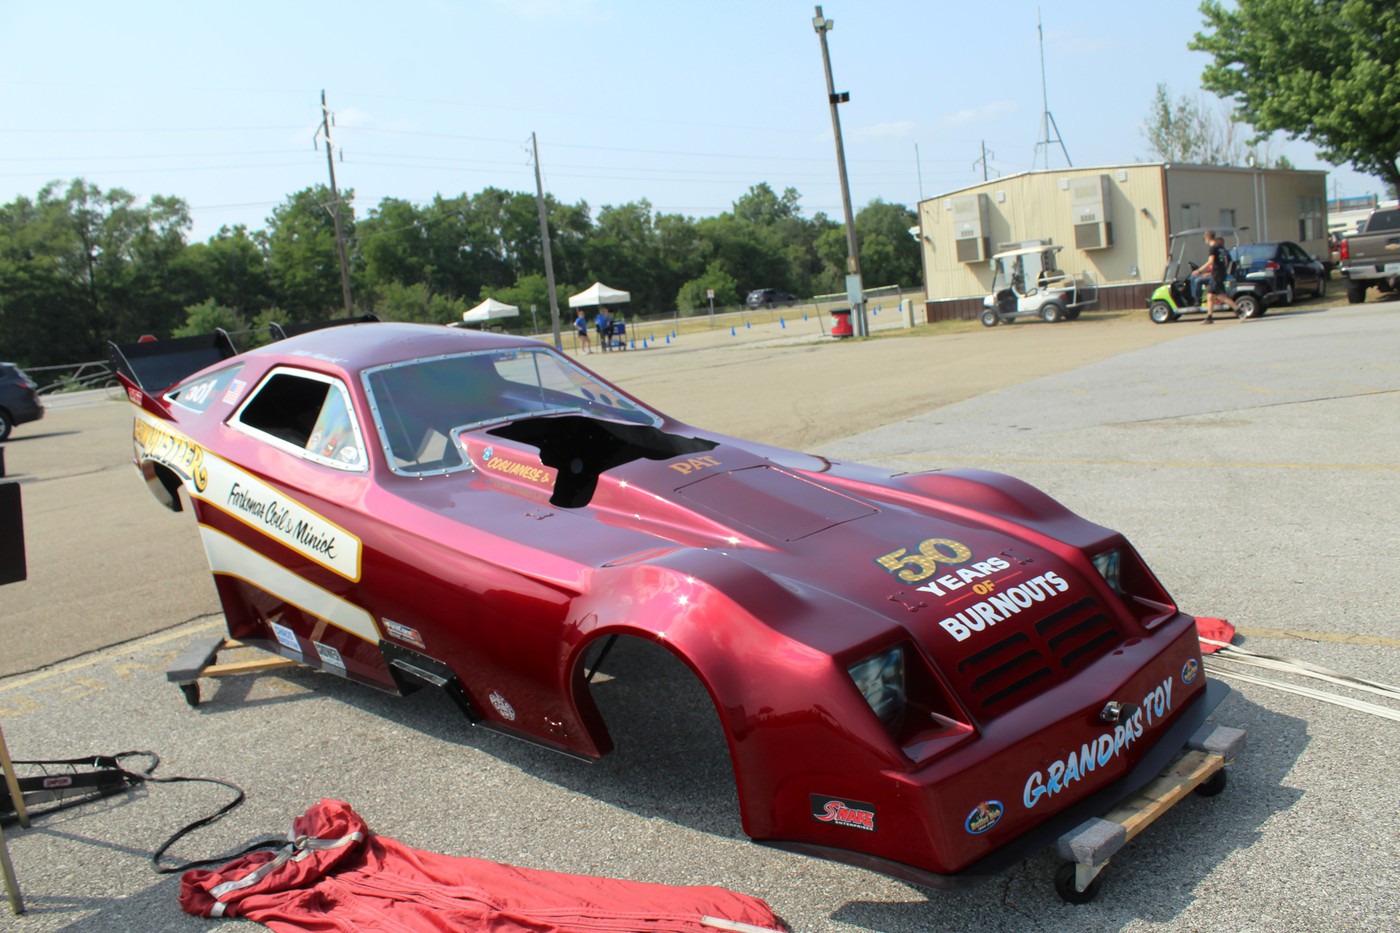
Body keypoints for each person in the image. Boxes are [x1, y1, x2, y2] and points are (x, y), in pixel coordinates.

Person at [1191, 231, 1239, 323]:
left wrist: (1199, 271)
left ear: (1207, 238)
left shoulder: (1212, 248)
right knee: (1210, 295)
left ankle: (1239, 311)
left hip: (1216, 275)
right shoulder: (1221, 248)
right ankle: (1209, 317)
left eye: (1205, 239)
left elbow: (1211, 261)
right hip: (1221, 273)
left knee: (1221, 297)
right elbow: (1226, 261)